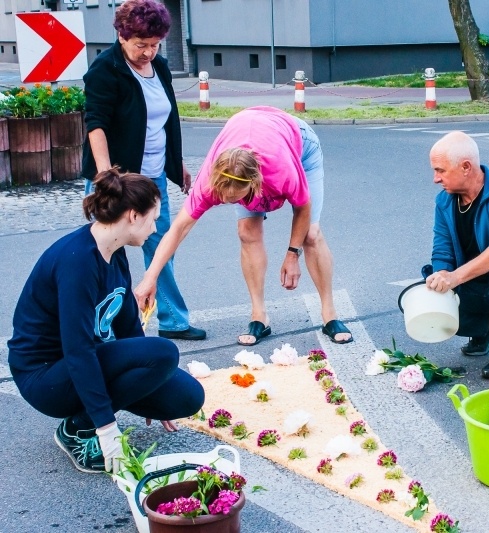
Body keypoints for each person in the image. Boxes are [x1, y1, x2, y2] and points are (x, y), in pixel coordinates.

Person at [6, 170, 205, 474]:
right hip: (44, 376)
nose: (155, 228)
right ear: (133, 216)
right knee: (164, 352)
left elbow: (127, 328)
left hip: (81, 361)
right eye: (152, 219)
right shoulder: (77, 261)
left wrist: (152, 381)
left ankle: (92, 413)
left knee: (187, 396)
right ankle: (77, 429)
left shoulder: (115, 251)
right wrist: (106, 428)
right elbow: (78, 350)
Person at [134, 106, 353, 346]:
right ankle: (259, 316)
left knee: (310, 234)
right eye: (226, 198)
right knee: (247, 231)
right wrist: (150, 278)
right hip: (245, 137)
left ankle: (330, 314)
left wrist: (293, 255)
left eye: (237, 197)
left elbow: (303, 208)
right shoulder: (209, 183)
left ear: (255, 183)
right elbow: (178, 229)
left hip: (297, 142)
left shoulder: (281, 170)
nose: (231, 202)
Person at [81, 0, 205, 341]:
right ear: (122, 36)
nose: (149, 52)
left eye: (155, 44)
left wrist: (176, 164)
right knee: (106, 251)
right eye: (141, 45)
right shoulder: (105, 69)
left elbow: (166, 121)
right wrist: (105, 176)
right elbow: (96, 124)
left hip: (154, 177)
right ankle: (104, 327)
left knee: (162, 245)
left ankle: (173, 320)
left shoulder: (159, 66)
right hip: (118, 178)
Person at [424, 132, 489, 379]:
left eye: (440, 171)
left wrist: (455, 278)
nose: (435, 179)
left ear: (466, 167)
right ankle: (484, 329)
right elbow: (442, 248)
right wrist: (441, 275)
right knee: (427, 288)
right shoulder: (444, 201)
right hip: (471, 280)